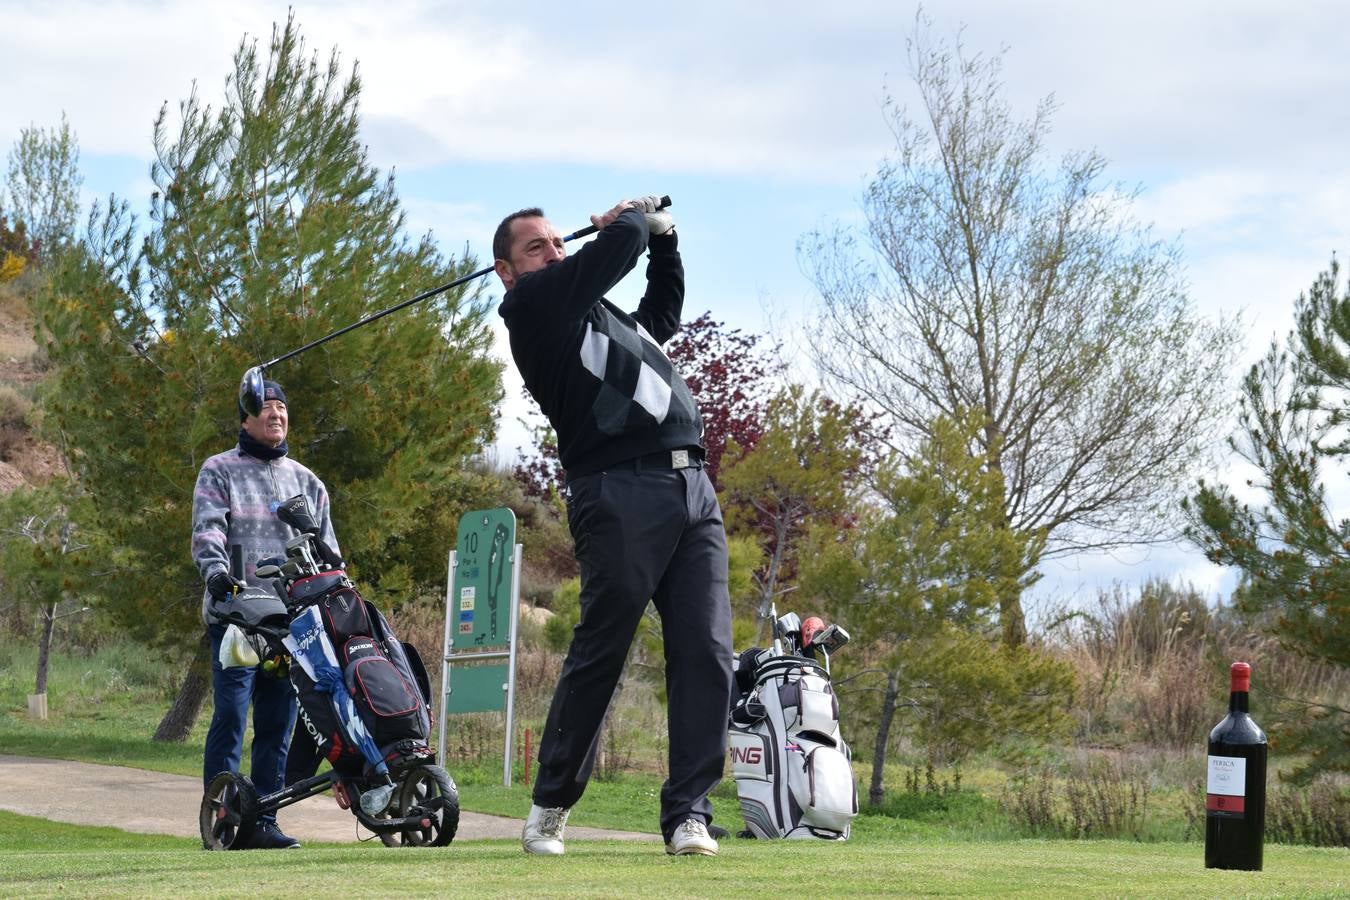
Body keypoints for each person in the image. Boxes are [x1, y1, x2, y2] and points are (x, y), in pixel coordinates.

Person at [494, 196, 734, 857]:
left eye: (556, 243)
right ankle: (550, 806)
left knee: (705, 652)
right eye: (535, 248)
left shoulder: (602, 318)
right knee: (603, 650)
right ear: (507, 273)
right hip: (618, 488)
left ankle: (689, 814)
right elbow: (617, 248)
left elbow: (661, 314)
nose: (553, 252)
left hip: (693, 488)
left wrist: (668, 241)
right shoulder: (532, 309)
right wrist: (627, 220)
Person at [191, 379, 340, 850]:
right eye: (266, 407)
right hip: (237, 618)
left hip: (291, 624)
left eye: (282, 407)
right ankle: (223, 819)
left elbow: (330, 553)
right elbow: (208, 530)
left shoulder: (308, 481)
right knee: (232, 716)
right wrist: (215, 572)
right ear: (244, 418)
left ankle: (263, 821)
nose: (276, 414)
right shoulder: (219, 471)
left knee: (278, 724)